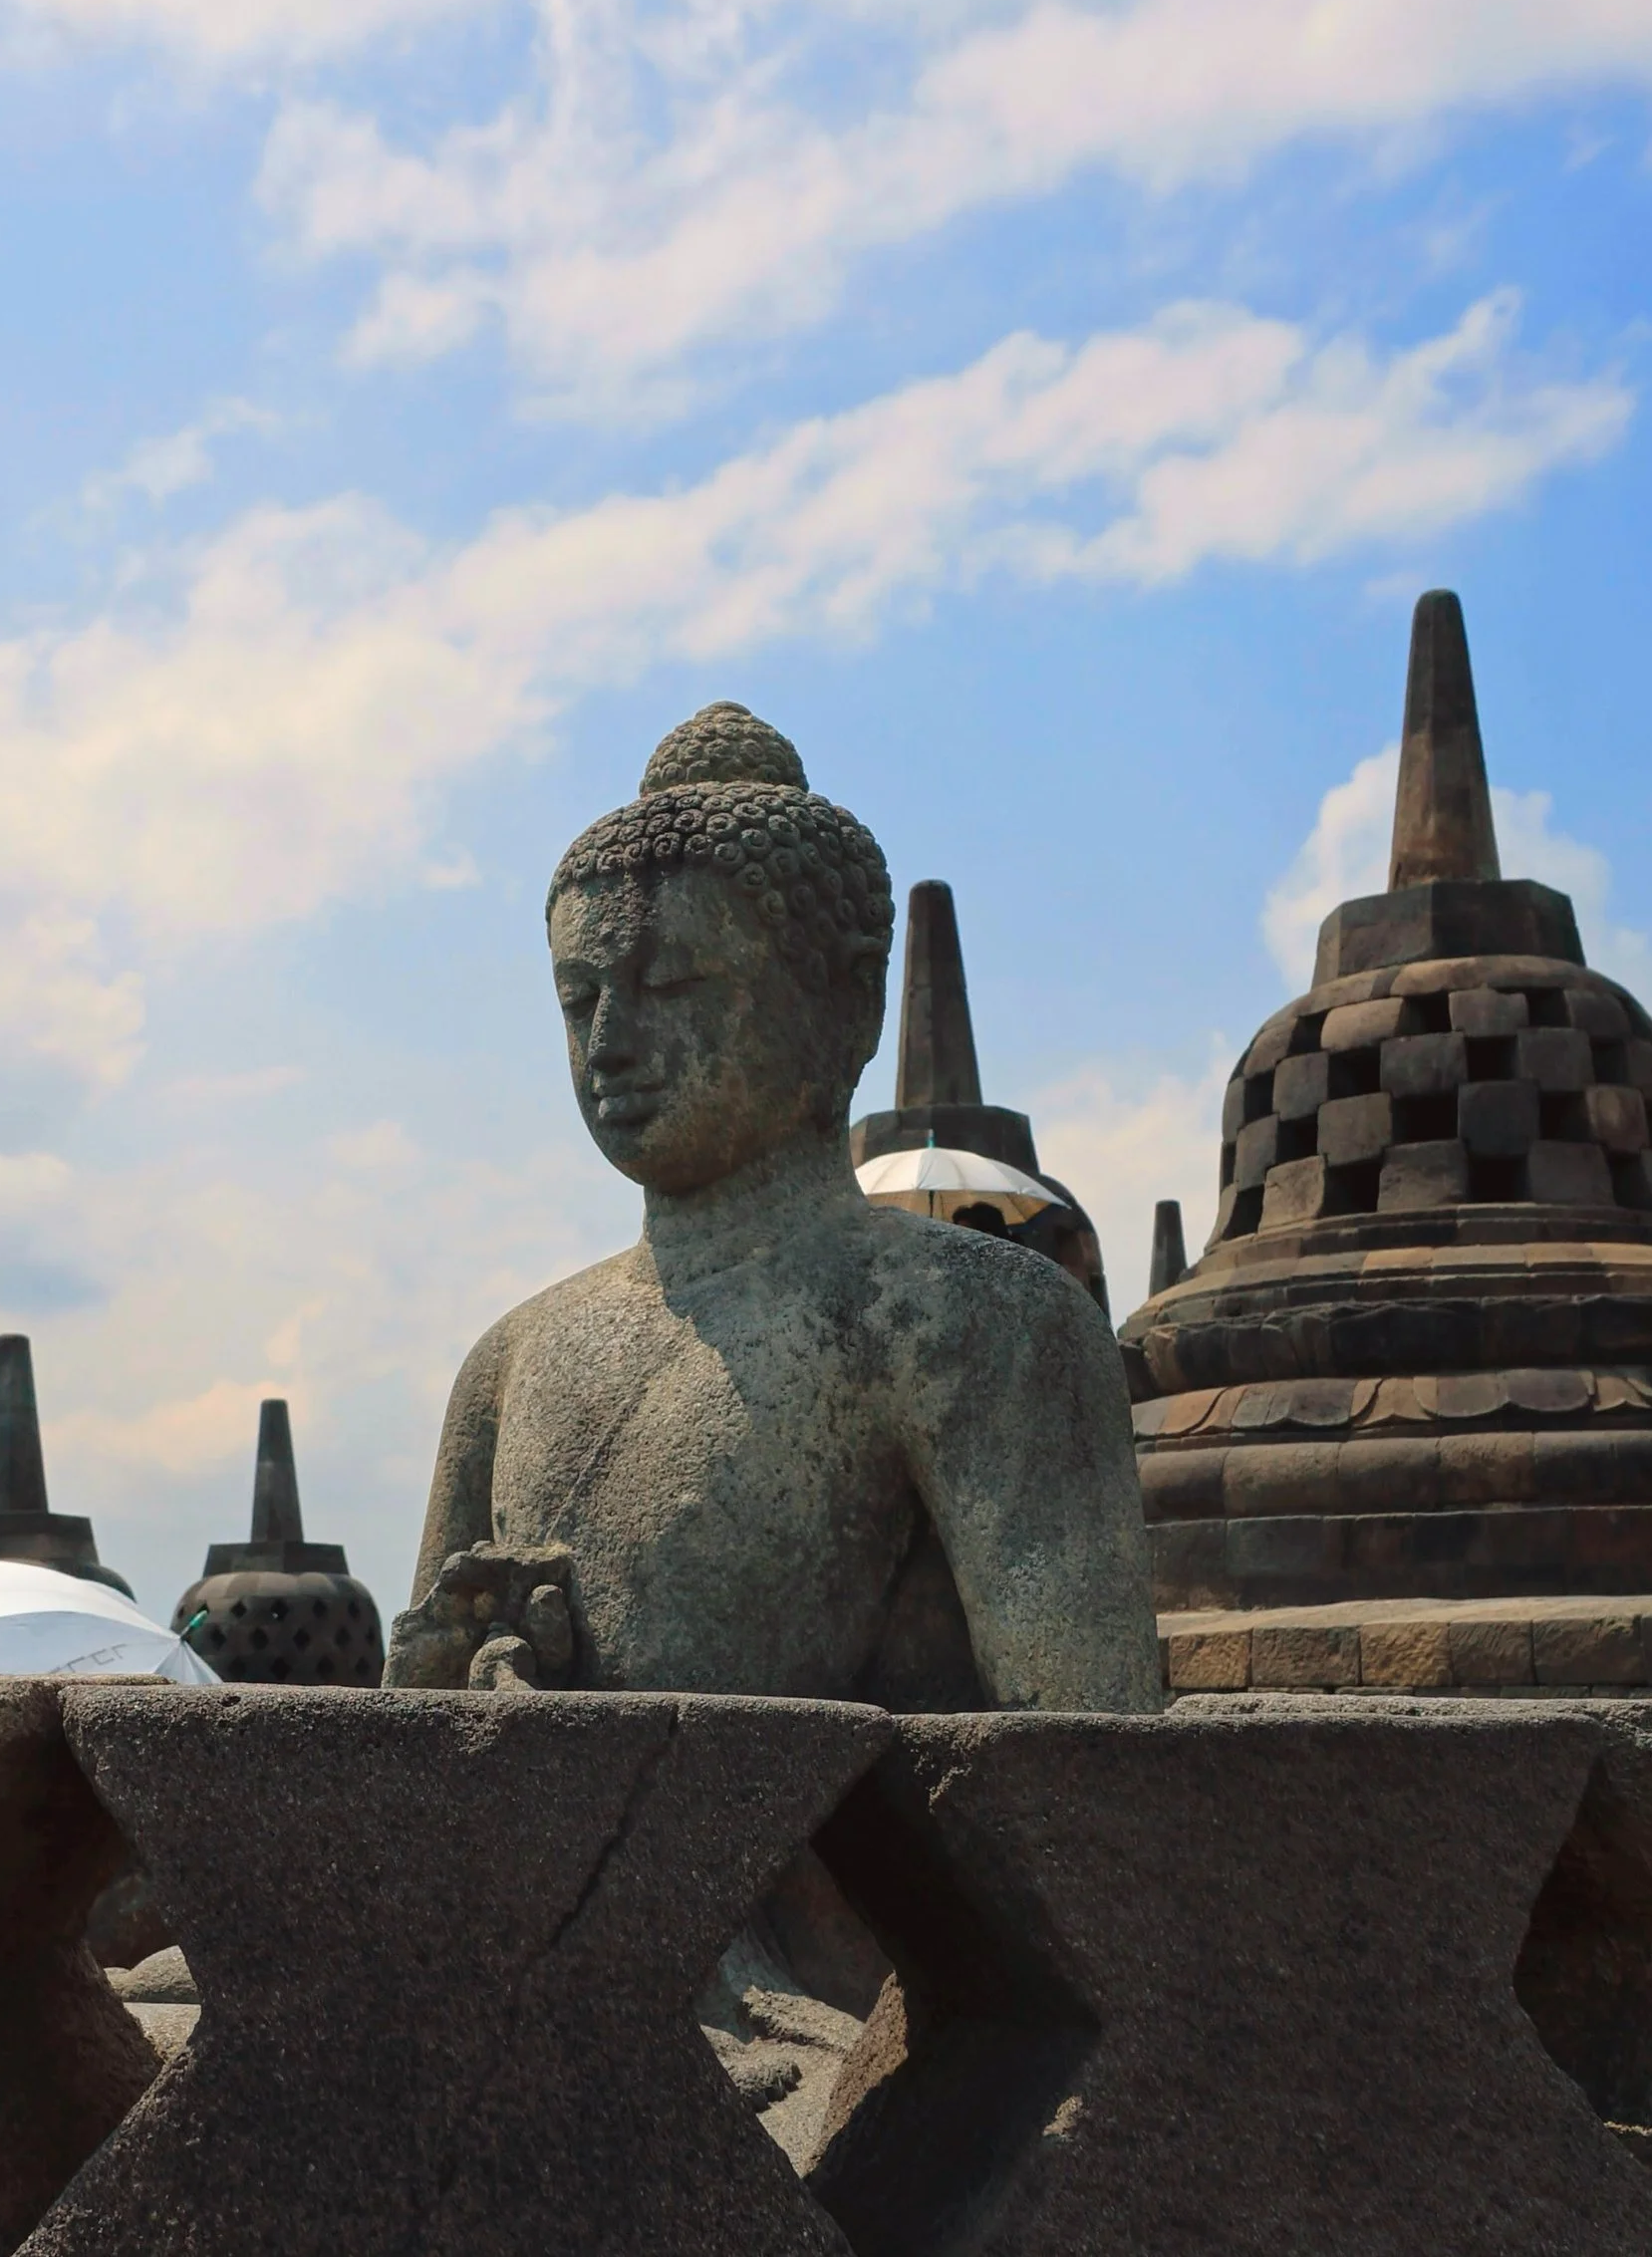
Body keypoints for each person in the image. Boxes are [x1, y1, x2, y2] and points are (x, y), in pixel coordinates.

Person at [387, 703, 1160, 1712]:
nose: (610, 1043)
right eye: (579, 999)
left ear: (844, 1001)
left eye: (669, 984)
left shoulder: (974, 1326)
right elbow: (414, 1756)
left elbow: (1081, 1768)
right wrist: (449, 1681)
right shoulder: (509, 1363)